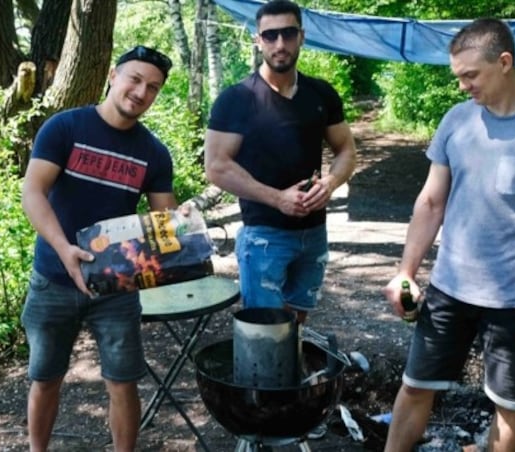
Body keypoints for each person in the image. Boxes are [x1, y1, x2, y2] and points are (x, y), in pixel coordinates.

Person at [381, 18, 515, 452]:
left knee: (511, 407)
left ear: (505, 62)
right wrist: (405, 271)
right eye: (458, 76)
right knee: (416, 386)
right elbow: (431, 202)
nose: (462, 86)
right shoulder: (457, 120)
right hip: (448, 290)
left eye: (470, 75)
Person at [20, 45, 176, 452]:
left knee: (123, 382)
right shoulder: (65, 128)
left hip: (116, 287)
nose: (142, 92)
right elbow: (32, 193)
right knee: (45, 377)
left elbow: (164, 224)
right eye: (135, 79)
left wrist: (181, 226)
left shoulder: (154, 153)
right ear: (112, 75)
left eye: (153, 87)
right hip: (53, 278)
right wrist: (63, 248)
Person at [204, 0, 356, 326]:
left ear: (301, 36)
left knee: (298, 319)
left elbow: (346, 149)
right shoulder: (237, 99)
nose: (280, 44)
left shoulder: (321, 94)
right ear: (258, 40)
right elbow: (216, 166)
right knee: (265, 328)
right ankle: (272, 377)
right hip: (264, 234)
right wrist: (277, 199)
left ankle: (294, 372)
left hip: (315, 231)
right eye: (270, 36)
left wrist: (330, 182)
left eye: (288, 34)